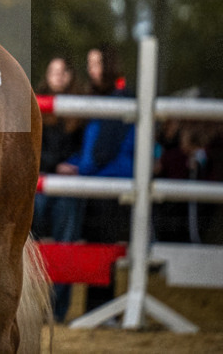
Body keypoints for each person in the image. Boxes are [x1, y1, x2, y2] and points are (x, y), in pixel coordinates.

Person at [58, 44, 134, 315]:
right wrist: (76, 164)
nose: (91, 70)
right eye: (90, 64)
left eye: (96, 64)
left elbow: (102, 151)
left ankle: (103, 310)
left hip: (110, 185)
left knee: (103, 245)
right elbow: (92, 149)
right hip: (99, 181)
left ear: (109, 66)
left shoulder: (119, 99)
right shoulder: (107, 98)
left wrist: (79, 169)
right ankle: (97, 311)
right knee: (97, 245)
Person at [31, 55, 84, 322]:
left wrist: (70, 165)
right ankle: (25, 303)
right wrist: (55, 164)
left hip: (65, 187)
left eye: (63, 71)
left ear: (70, 76)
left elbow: (83, 154)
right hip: (38, 184)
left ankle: (57, 310)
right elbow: (29, 148)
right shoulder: (35, 104)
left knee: (67, 240)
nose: (58, 76)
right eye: (53, 70)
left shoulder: (81, 110)